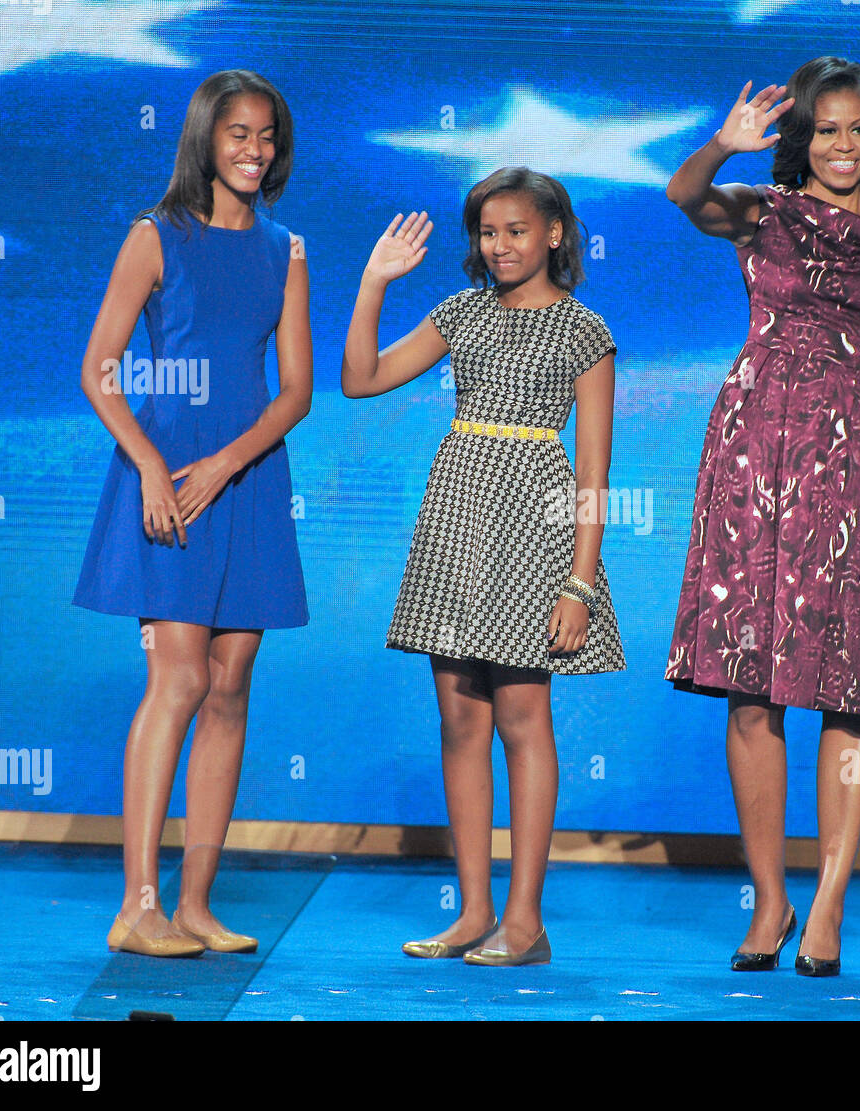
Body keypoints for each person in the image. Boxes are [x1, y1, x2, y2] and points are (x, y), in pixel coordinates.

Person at [664, 59, 860, 976]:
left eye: (858, 129)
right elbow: (684, 195)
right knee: (752, 687)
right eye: (824, 129)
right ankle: (769, 899)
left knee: (850, 688)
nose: (841, 146)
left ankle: (827, 901)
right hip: (755, 456)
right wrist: (721, 143)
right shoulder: (767, 210)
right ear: (801, 139)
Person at [342, 167, 624, 967]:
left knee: (522, 721)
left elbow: (595, 474)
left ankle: (525, 921)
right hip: (457, 521)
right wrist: (374, 281)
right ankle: (472, 912)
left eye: (517, 231)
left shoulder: (583, 330)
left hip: (535, 531)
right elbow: (358, 379)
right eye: (488, 232)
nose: (500, 246)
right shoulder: (460, 313)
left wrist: (579, 580)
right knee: (460, 721)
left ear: (555, 235)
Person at [74, 70, 312, 957]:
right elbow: (100, 366)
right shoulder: (154, 235)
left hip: (245, 476)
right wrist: (152, 468)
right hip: (165, 476)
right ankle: (138, 905)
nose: (254, 150)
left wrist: (224, 464)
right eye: (239, 133)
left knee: (228, 686)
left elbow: (295, 393)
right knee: (175, 679)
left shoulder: (286, 249)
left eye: (268, 136)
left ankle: (197, 903)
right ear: (206, 139)